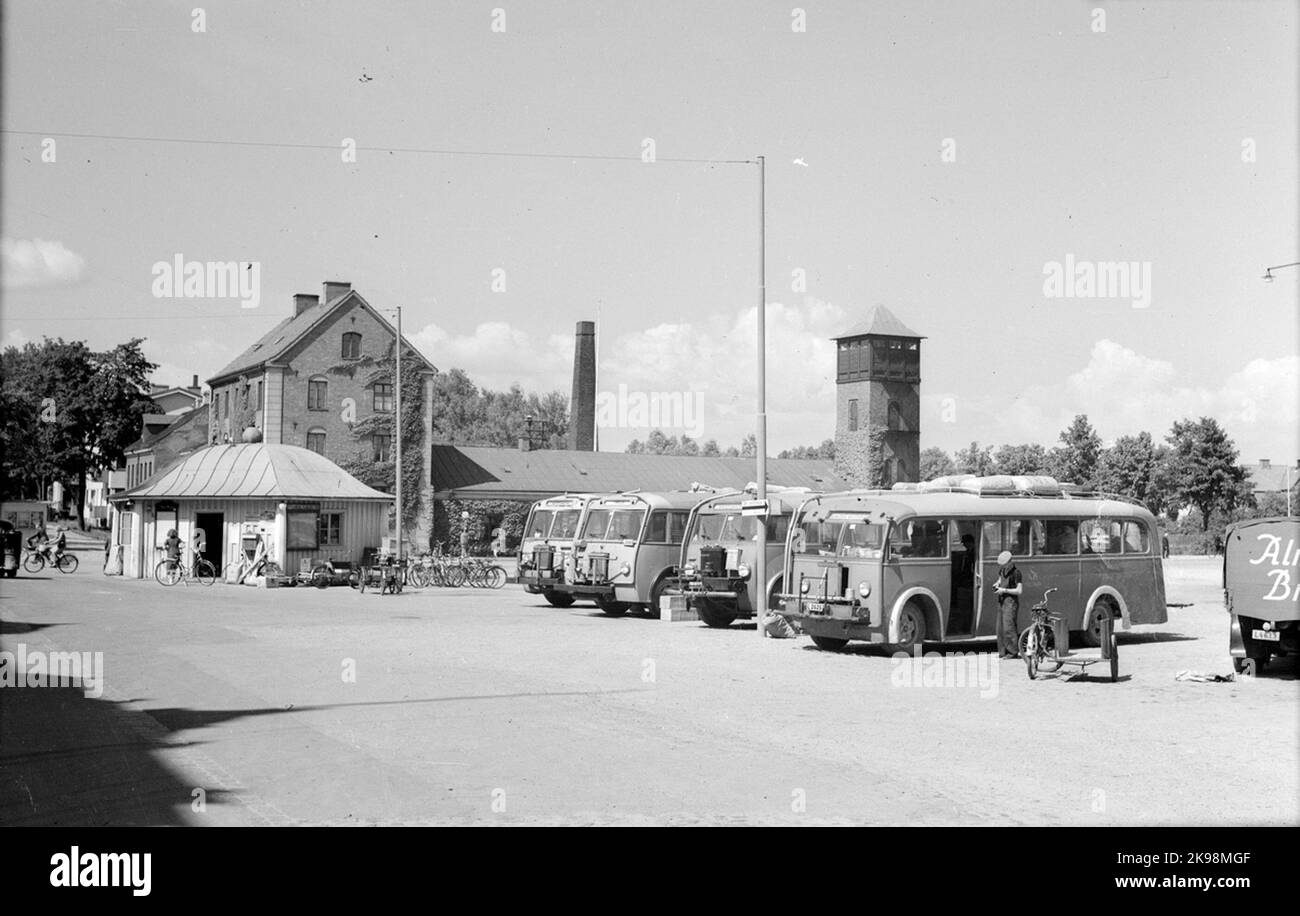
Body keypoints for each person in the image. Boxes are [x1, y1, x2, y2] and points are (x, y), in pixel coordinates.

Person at [993, 549, 1023, 659]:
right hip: (1002, 601)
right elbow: (1000, 580)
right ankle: (1002, 651)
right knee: (1000, 628)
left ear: (1009, 562)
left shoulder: (1016, 573)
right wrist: (997, 585)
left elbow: (1019, 591)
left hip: (1011, 601)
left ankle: (1012, 652)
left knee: (1009, 628)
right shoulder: (1002, 571)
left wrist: (1004, 590)